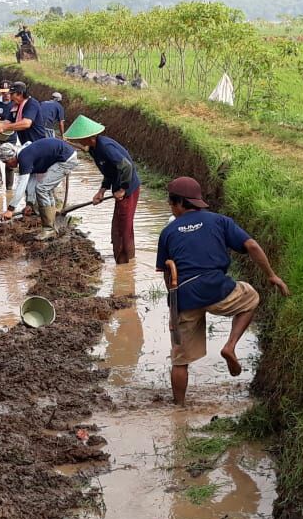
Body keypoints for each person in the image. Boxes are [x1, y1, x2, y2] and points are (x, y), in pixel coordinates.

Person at [156, 177, 290, 406]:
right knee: (251, 297)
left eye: (170, 203)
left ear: (179, 203)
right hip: (218, 289)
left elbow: (168, 275)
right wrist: (271, 275)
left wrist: (173, 314)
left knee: (179, 360)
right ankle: (229, 346)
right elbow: (252, 246)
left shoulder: (168, 232)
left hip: (186, 297)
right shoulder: (219, 221)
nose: (171, 207)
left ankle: (178, 410)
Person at [63, 114, 140, 264]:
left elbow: (126, 167)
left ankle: (125, 263)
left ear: (90, 137)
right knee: (118, 224)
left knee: (123, 226)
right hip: (119, 188)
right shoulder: (93, 149)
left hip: (128, 189)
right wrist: (101, 191)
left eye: (80, 138)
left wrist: (123, 189)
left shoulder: (105, 147)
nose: (78, 141)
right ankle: (123, 259)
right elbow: (109, 172)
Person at [0, 137, 80, 239]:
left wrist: (10, 209)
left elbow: (21, 187)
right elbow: (32, 179)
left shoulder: (24, 158)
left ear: (11, 157)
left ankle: (49, 229)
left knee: (42, 189)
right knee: (45, 189)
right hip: (64, 156)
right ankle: (52, 223)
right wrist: (30, 204)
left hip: (66, 159)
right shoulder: (24, 154)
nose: (8, 166)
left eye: (6, 162)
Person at [0, 81, 46, 145]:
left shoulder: (31, 103)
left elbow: (26, 123)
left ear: (20, 94)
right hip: (26, 145)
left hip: (38, 144)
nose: (9, 97)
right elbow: (4, 123)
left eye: (11, 94)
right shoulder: (15, 107)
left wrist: (4, 128)